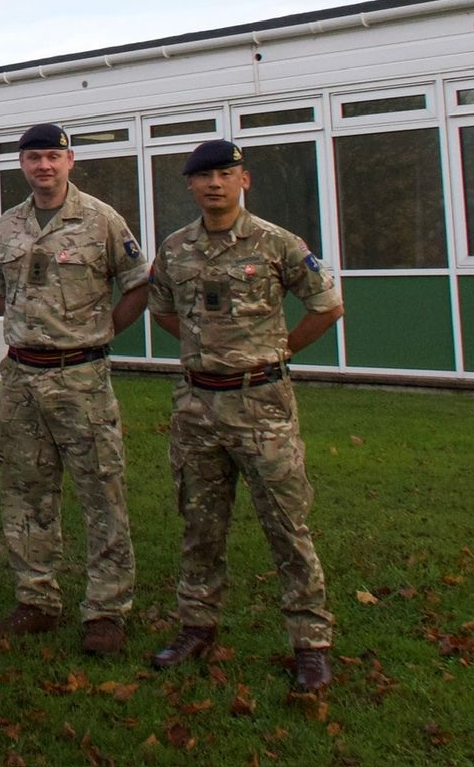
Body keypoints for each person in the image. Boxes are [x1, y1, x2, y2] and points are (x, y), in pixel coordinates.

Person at [140, 138, 344, 693]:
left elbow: (327, 304)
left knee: (287, 525)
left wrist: (280, 353)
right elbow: (160, 310)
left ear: (243, 180)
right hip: (198, 407)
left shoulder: (276, 243)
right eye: (203, 176)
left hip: (262, 406)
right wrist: (205, 353)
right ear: (190, 186)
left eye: (224, 175)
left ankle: (310, 643)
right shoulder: (176, 248)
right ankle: (196, 627)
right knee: (199, 525)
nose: (213, 184)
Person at [0, 122, 149, 655]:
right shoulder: (6, 228)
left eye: (53, 156)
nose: (43, 166)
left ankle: (107, 610)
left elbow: (138, 284)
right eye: (33, 158)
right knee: (25, 494)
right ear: (22, 166)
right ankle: (36, 599)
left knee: (101, 493)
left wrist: (97, 335)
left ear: (70, 160)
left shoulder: (101, 220)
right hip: (22, 380)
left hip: (83, 380)